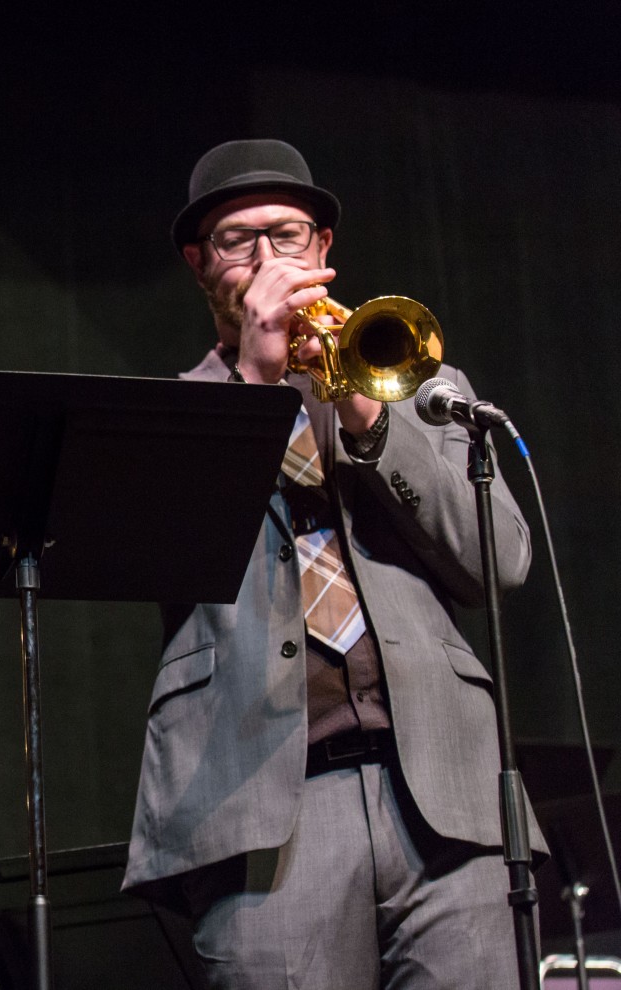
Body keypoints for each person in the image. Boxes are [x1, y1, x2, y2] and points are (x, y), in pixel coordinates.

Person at [122, 139, 540, 988]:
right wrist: (255, 383)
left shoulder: (423, 384)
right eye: (241, 240)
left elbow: (503, 562)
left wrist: (363, 411)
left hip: (446, 798)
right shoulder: (163, 418)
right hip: (264, 811)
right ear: (201, 264)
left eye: (288, 233)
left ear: (323, 250)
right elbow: (164, 560)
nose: (269, 257)